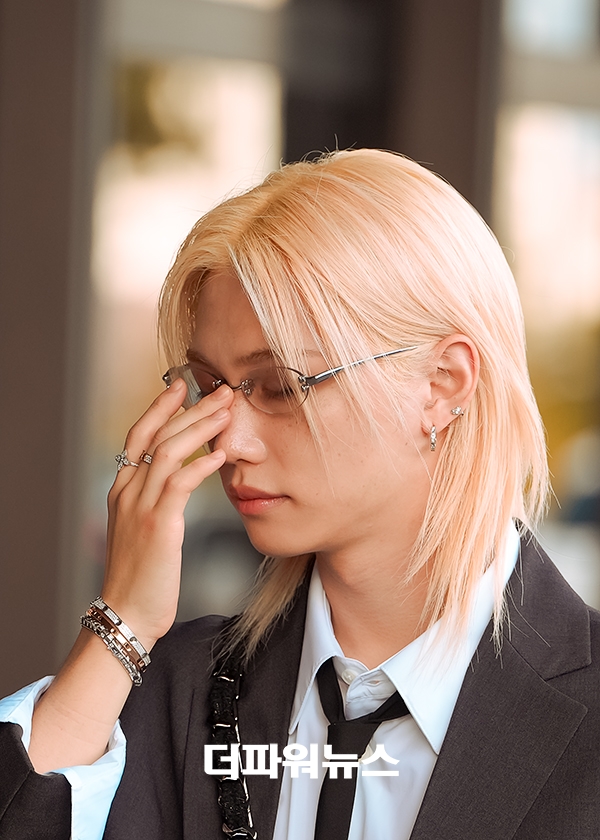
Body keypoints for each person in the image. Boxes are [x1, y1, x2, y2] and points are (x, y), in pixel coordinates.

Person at [1, 148, 599, 840]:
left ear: (442, 386)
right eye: (212, 388)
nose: (231, 442)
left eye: (281, 385)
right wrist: (122, 621)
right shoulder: (170, 693)